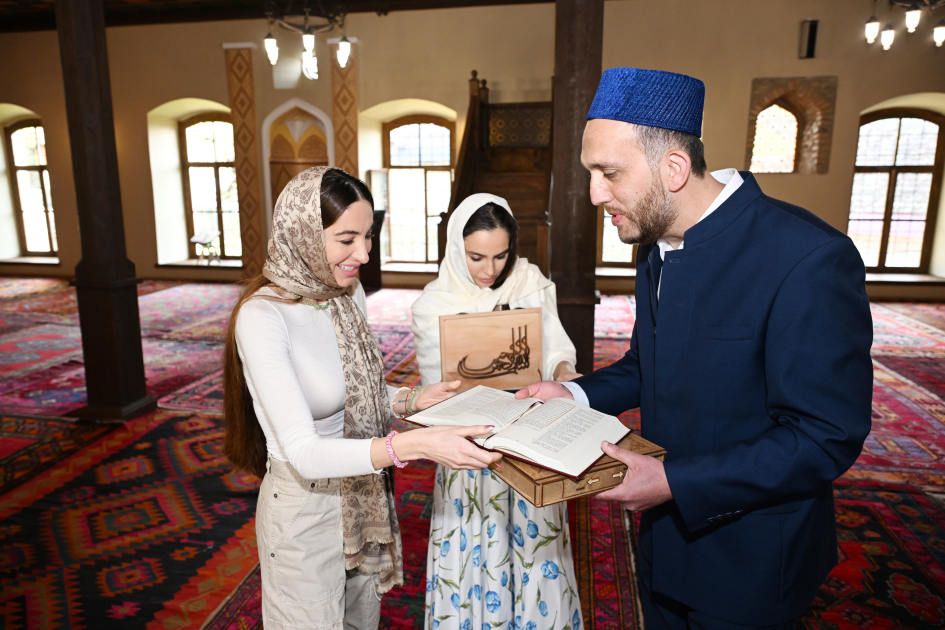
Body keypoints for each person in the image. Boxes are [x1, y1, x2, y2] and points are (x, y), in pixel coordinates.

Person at [516, 68, 873, 629]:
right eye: (591, 174)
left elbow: (823, 436)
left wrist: (673, 481)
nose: (594, 194)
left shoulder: (807, 257)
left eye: (609, 173)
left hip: (751, 561)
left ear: (674, 168)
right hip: (664, 541)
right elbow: (649, 365)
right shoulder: (653, 242)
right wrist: (573, 394)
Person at [222, 167, 502, 630]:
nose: (364, 254)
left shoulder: (345, 293)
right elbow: (305, 452)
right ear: (304, 233)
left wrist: (414, 400)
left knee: (361, 622)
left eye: (368, 236)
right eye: (347, 239)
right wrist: (414, 445)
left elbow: (355, 392)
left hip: (363, 496)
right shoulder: (262, 317)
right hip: (305, 511)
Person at [411, 193, 584, 630]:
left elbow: (556, 348)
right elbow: (435, 387)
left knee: (533, 542)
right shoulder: (434, 303)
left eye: (500, 255)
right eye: (476, 257)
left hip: (529, 435)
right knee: (474, 537)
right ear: (456, 248)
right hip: (469, 441)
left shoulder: (528, 281)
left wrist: (565, 372)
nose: (490, 270)